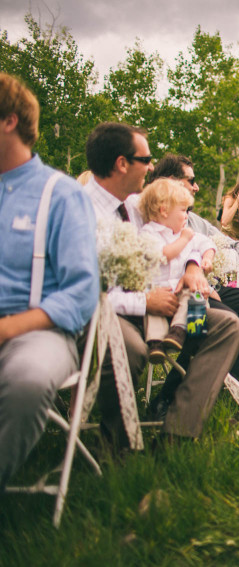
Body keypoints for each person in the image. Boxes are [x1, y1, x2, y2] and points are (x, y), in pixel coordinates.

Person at [83, 122, 239, 445]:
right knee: (130, 347)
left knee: (228, 325)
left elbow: (183, 236)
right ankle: (118, 445)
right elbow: (84, 293)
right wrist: (145, 302)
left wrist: (193, 266)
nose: (153, 167)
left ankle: (177, 429)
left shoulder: (137, 204)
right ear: (122, 163)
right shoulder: (81, 211)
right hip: (110, 311)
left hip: (166, 302)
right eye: (147, 159)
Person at [0, 73, 99, 489]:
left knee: (29, 380)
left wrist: (8, 328)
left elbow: (81, 292)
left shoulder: (59, 193)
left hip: (37, 331)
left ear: (9, 121)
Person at [146, 155, 239, 419]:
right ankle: (171, 396)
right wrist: (192, 266)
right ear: (171, 183)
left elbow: (227, 241)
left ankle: (223, 383)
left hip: (205, 289)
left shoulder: (192, 220)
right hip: (178, 297)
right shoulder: (152, 221)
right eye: (191, 180)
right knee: (213, 323)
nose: (196, 187)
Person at [137, 179, 215, 362]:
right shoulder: (148, 233)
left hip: (180, 290)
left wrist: (207, 257)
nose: (187, 216)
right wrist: (185, 239)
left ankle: (178, 331)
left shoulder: (183, 231)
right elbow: (164, 255)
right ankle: (155, 343)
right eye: (183, 210)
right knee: (153, 314)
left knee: (195, 297)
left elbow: (206, 242)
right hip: (157, 291)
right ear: (164, 211)